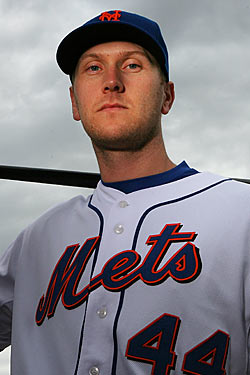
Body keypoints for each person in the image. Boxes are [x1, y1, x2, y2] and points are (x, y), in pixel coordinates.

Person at [0, 9, 250, 375]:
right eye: (93, 68)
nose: (112, 82)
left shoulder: (240, 214)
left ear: (167, 96)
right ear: (74, 102)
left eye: (132, 65)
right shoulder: (34, 241)